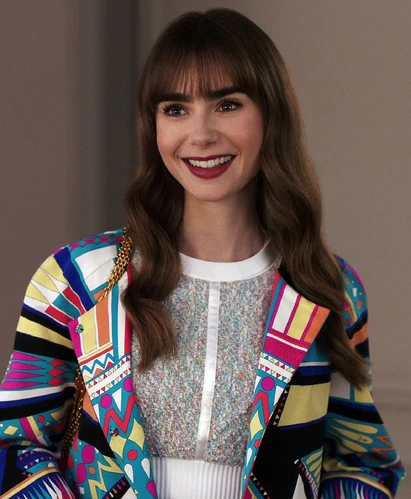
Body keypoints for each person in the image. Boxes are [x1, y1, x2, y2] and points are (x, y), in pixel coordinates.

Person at [0, 8, 405, 499]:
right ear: (153, 126)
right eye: (175, 109)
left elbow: (361, 462)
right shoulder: (79, 279)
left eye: (227, 104)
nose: (200, 134)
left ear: (271, 114)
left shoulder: (325, 289)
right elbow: (14, 446)